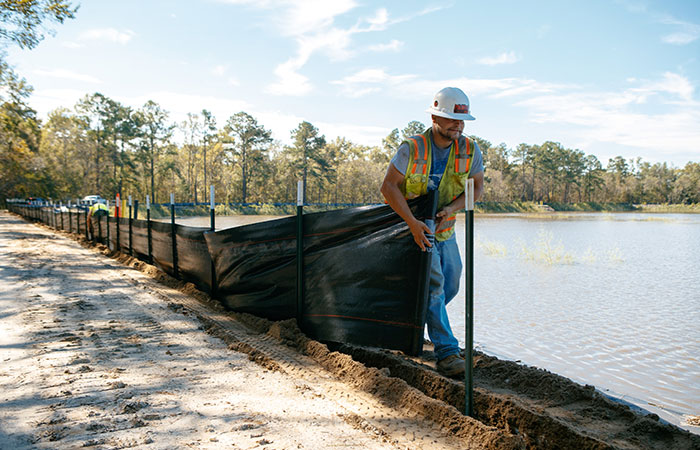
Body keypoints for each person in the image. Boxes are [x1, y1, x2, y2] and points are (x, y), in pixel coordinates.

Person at [380, 87, 484, 377]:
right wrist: (413, 224)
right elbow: (388, 187)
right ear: (435, 115)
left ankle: (412, 320)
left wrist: (452, 209)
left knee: (451, 283)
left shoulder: (470, 149)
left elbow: (476, 187)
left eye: (461, 120)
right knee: (435, 285)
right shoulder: (412, 148)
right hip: (413, 230)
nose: (458, 125)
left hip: (445, 230)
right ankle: (448, 353)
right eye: (451, 119)